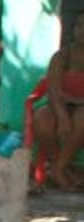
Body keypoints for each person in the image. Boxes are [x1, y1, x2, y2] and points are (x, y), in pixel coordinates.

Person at [31, 13, 84, 190]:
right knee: (41, 119)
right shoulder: (61, 57)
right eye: (79, 26)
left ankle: (58, 170)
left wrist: (77, 101)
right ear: (74, 30)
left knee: (82, 119)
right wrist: (62, 116)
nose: (82, 31)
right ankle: (63, 169)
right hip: (59, 104)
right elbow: (53, 90)